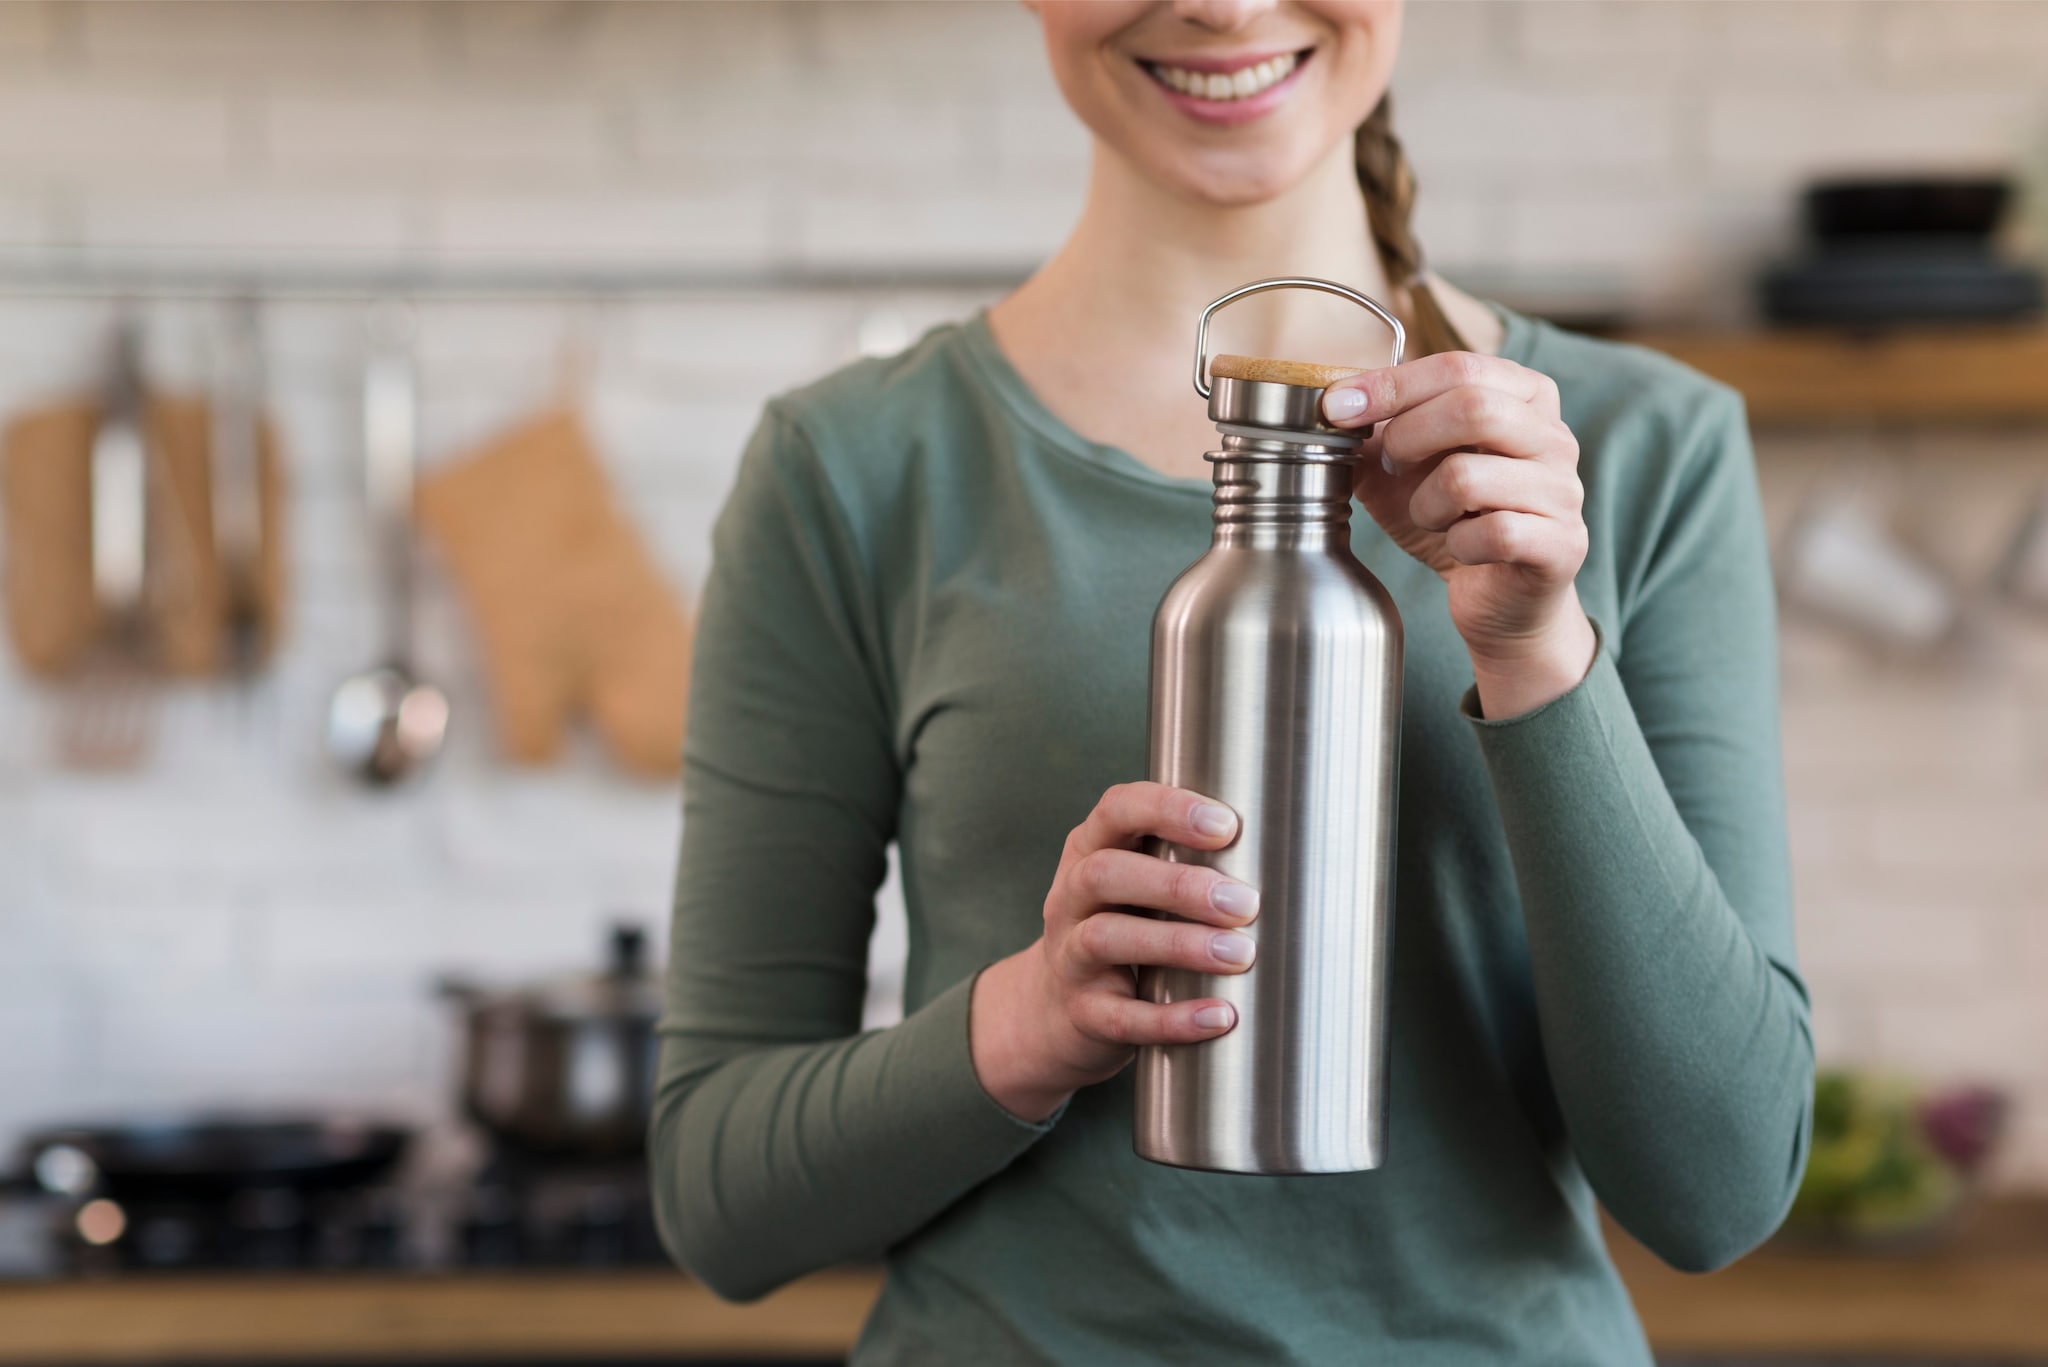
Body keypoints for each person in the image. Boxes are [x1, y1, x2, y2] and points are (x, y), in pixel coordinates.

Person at [651, 1, 1813, 1361]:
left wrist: (1536, 650)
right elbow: (719, 1203)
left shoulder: (1639, 449)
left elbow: (1720, 1194)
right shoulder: (852, 469)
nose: (1221, 3)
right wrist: (1027, 1024)